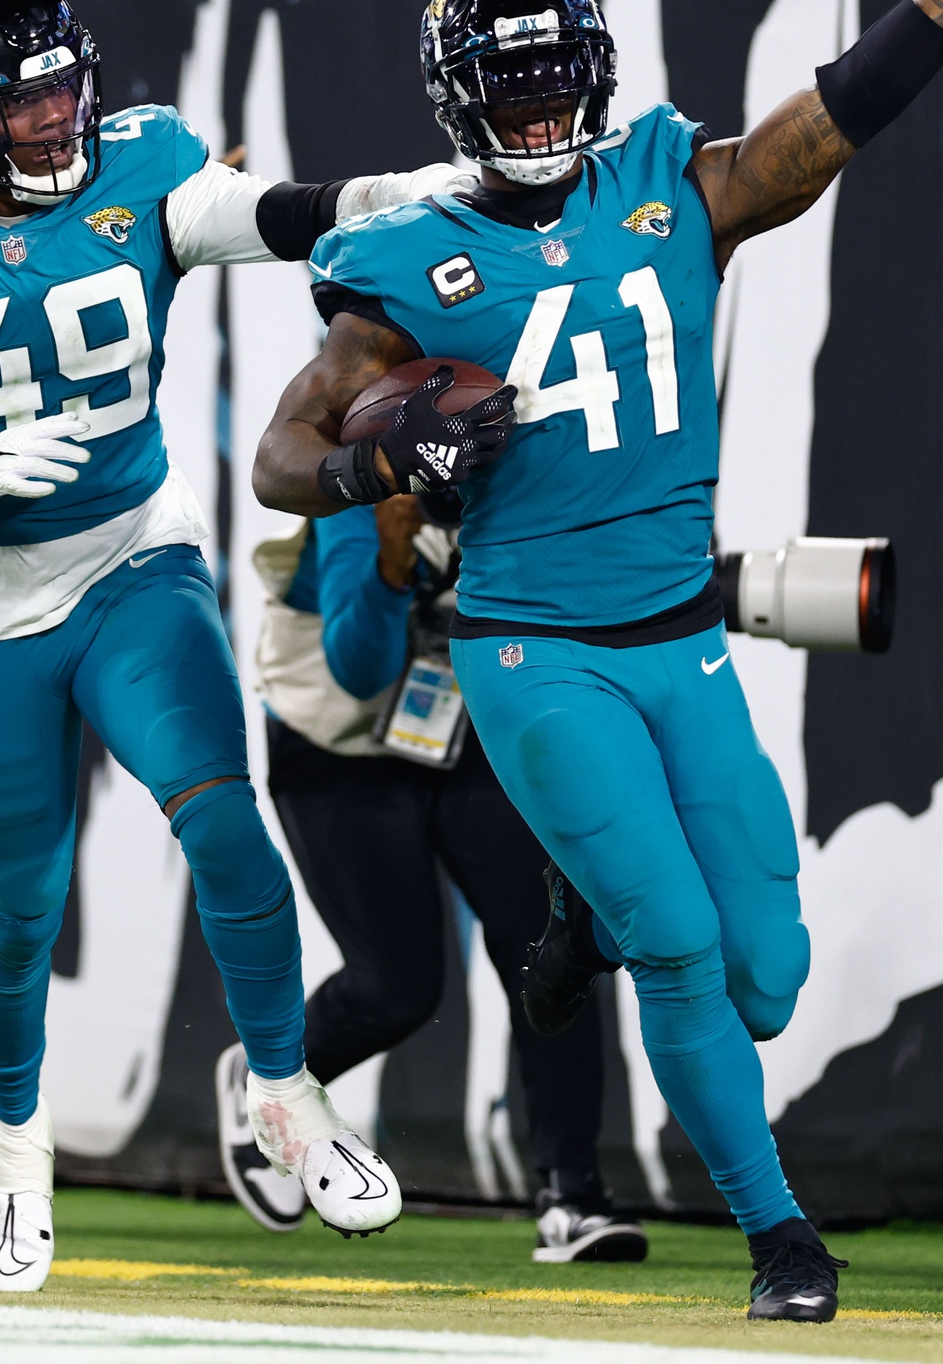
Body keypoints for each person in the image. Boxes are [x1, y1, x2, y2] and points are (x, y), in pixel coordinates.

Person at [251, 0, 943, 1322]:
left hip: (681, 639)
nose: (547, 107)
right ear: (459, 101)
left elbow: (834, 114)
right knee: (684, 952)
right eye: (516, 84)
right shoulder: (406, 262)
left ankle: (568, 923)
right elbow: (281, 460)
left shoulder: (667, 186)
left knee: (765, 967)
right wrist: (385, 461)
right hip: (528, 649)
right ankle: (777, 1238)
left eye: (561, 77)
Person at [0, 0, 460, 1290]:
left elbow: (276, 212)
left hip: (127, 561)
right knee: (20, 906)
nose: (58, 114)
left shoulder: (138, 167)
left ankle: (281, 1089)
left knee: (224, 820)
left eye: (65, 86)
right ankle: (12, 1130)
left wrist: (415, 192)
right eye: (26, 97)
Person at [226, 493, 645, 1262]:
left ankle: (572, 1192)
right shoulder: (362, 449)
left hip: (462, 719)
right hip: (338, 741)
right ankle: (274, 1078)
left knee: (549, 947)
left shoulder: (531, 449)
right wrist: (391, 564)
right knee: (399, 986)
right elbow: (357, 667)